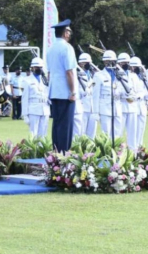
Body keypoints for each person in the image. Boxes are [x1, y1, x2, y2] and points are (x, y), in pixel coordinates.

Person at [46, 19, 78, 153]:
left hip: (54, 91)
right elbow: (69, 72)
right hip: (65, 92)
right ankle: (64, 154)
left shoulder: (51, 48)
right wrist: (73, 92)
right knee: (66, 125)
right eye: (69, 31)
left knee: (57, 124)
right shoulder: (67, 48)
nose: (70, 34)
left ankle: (56, 152)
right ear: (65, 33)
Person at [92, 50, 123, 140]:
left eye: (112, 61)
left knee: (117, 134)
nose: (110, 63)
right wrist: (96, 112)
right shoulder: (99, 75)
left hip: (117, 108)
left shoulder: (119, 74)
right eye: (108, 61)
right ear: (104, 62)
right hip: (105, 108)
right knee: (106, 134)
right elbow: (95, 95)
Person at [21, 58, 50, 138]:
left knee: (43, 133)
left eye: (40, 67)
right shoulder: (27, 80)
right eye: (37, 67)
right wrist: (25, 115)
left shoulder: (45, 80)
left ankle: (42, 150)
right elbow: (24, 99)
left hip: (45, 108)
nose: (39, 69)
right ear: (32, 68)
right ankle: (34, 150)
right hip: (33, 109)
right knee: (33, 133)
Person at [118, 52, 141, 151]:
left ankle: (133, 155)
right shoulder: (116, 76)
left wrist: (135, 96)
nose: (126, 65)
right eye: (123, 63)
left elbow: (140, 91)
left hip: (132, 107)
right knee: (119, 133)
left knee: (132, 133)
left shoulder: (134, 76)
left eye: (127, 62)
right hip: (121, 106)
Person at [75, 53, 97, 139]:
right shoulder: (77, 75)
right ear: (80, 64)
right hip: (83, 106)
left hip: (92, 108)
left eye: (89, 62)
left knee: (92, 134)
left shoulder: (93, 75)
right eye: (85, 62)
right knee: (81, 133)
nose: (88, 64)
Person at [131, 56, 148, 147]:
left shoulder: (143, 77)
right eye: (133, 67)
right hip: (134, 104)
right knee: (133, 130)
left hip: (142, 105)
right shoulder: (129, 77)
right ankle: (133, 148)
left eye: (137, 67)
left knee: (141, 129)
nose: (134, 69)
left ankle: (139, 147)